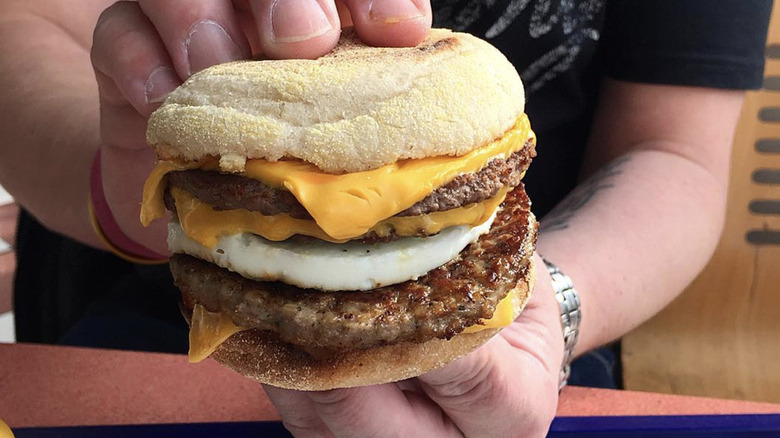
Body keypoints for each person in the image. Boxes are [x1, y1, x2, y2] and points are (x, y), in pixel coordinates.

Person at [0, 0, 771, 436]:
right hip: (131, 320)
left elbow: (674, 153)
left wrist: (548, 310)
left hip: (539, 328)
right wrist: (124, 181)